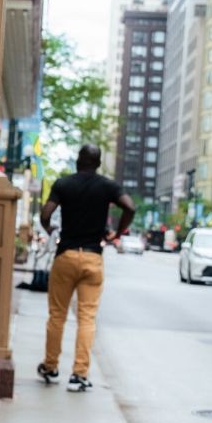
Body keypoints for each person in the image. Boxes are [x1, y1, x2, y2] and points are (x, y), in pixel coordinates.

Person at [36, 143, 135, 393]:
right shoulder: (108, 186)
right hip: (93, 258)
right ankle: (79, 374)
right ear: (99, 163)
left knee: (57, 315)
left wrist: (48, 229)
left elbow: (46, 213)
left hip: (66, 255)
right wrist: (118, 233)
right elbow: (130, 207)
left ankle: (50, 366)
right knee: (87, 318)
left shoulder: (63, 184)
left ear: (77, 161)